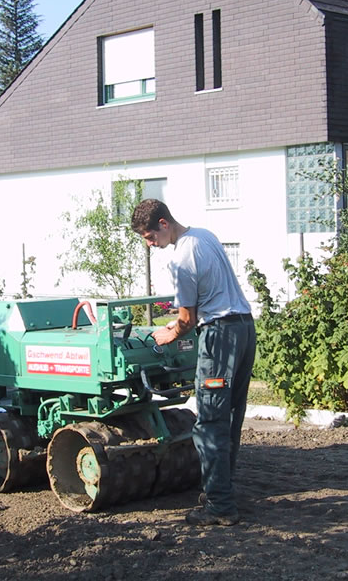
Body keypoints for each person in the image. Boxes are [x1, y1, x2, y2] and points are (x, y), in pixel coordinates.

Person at [130, 199, 256, 526]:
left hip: (220, 337)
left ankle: (220, 506)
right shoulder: (204, 235)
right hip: (244, 330)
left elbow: (187, 319)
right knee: (230, 416)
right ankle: (220, 490)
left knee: (211, 422)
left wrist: (168, 334)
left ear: (162, 223)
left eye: (148, 236)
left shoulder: (182, 258)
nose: (149, 244)